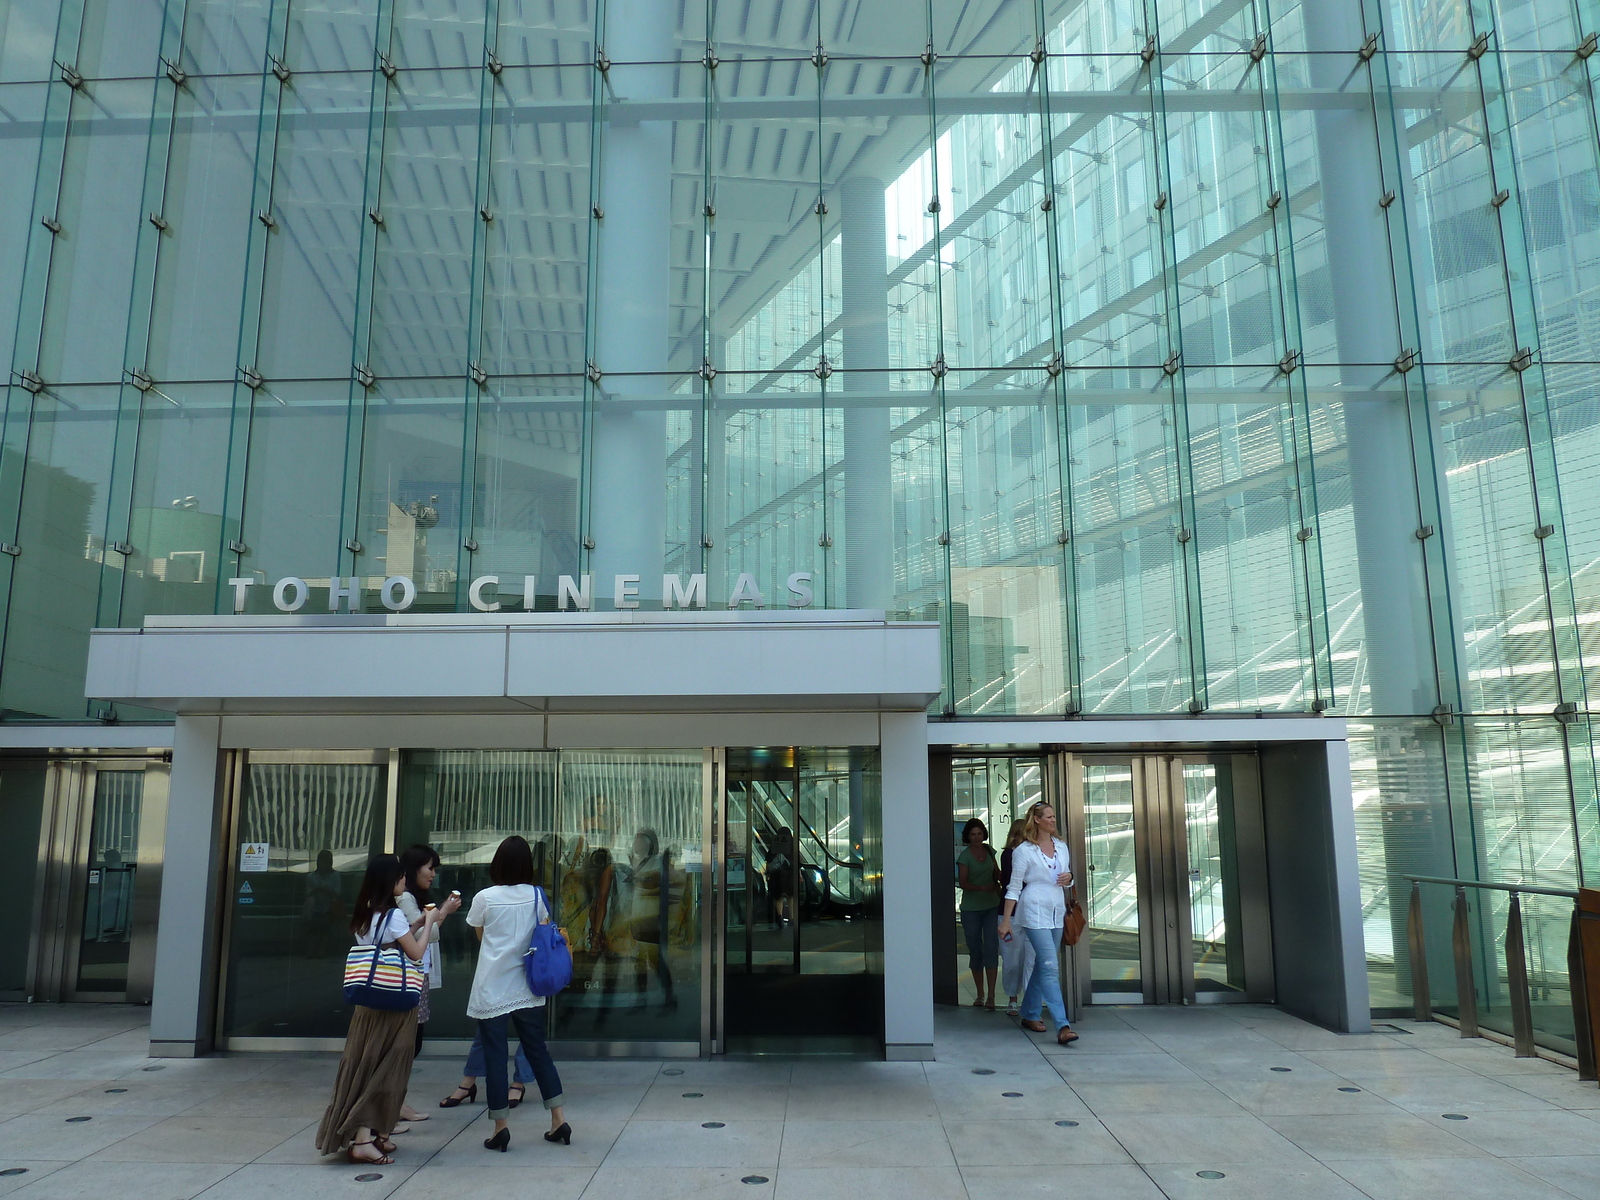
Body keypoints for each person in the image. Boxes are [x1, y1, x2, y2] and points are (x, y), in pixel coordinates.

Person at [315, 854, 439, 1164]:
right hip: (393, 1005)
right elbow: (415, 953)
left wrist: (417, 923)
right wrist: (431, 923)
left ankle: (369, 1135)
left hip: (367, 1004)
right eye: (400, 877)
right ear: (390, 880)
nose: (404, 882)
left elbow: (385, 942)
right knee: (386, 1069)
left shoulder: (365, 913)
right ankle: (364, 1139)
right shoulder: (393, 915)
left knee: (364, 1066)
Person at [467, 835, 571, 1151]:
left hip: (492, 985)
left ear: (497, 863)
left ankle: (501, 1127)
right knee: (537, 1051)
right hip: (527, 984)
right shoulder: (537, 896)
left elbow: (481, 936)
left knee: (495, 1056)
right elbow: (543, 930)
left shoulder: (485, 897)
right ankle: (558, 1119)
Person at [998, 802, 1079, 1046]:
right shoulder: (1024, 851)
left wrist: (1070, 878)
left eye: (1054, 816)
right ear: (1036, 819)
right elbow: (1013, 887)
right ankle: (1062, 1024)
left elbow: (1065, 877)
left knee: (1043, 966)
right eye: (1049, 817)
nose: (1053, 820)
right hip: (1033, 910)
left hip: (1056, 909)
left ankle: (1030, 1013)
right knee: (1049, 966)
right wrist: (1006, 921)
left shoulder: (1061, 847)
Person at [396, 845, 460, 1121]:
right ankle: (390, 1104)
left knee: (412, 1043)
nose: (433, 874)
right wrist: (443, 910)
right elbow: (427, 933)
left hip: (415, 978)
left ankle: (395, 1102)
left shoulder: (412, 897)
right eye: (430, 868)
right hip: (404, 979)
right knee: (407, 1043)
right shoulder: (405, 899)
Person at [956, 817, 1002, 1009]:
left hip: (992, 905)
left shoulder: (990, 851)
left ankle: (991, 995)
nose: (976, 837)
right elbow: (963, 883)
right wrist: (983, 888)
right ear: (967, 836)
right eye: (973, 834)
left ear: (984, 834)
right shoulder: (965, 856)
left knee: (992, 947)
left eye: (979, 834)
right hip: (971, 909)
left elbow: (997, 873)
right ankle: (979, 994)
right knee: (975, 949)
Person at [997, 819, 1034, 1016]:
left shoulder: (1035, 853)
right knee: (1012, 959)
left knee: (1031, 959)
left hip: (1029, 912)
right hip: (1010, 913)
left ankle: (1028, 1000)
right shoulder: (1009, 855)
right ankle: (1012, 997)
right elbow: (1013, 883)